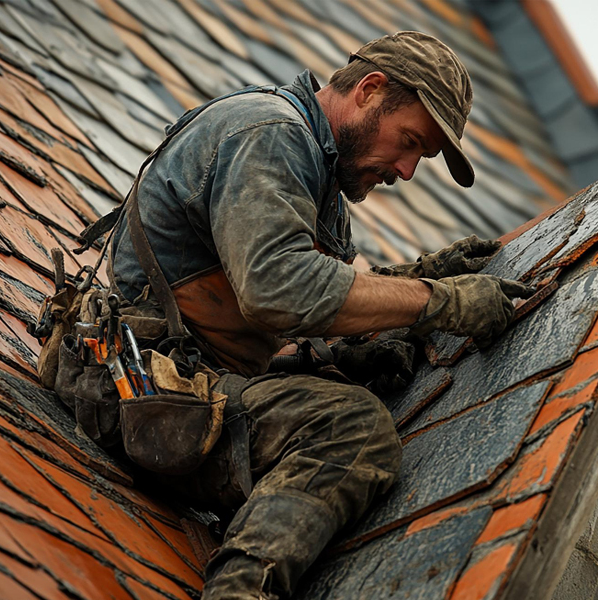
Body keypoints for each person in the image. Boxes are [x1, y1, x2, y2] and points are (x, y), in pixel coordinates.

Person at [104, 31, 533, 600]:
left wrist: (413, 282)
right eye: (408, 142)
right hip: (137, 391)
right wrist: (439, 299)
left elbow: (325, 301)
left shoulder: (322, 175)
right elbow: (277, 288)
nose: (406, 171)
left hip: (184, 383)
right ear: (369, 90)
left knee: (358, 369)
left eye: (420, 159)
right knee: (352, 429)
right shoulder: (271, 135)